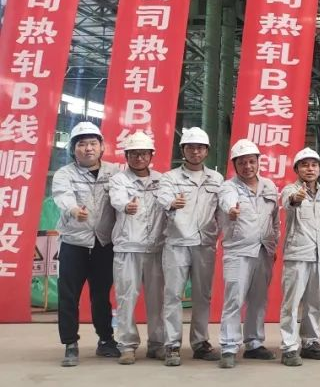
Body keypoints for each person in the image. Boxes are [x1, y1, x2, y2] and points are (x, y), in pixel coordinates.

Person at [52, 122, 122, 366]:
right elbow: (63, 195)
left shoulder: (115, 173)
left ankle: (106, 340)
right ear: (73, 149)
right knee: (68, 295)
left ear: (102, 146)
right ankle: (70, 343)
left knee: (101, 294)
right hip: (74, 242)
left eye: (93, 143)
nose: (88, 148)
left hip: (104, 243)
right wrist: (73, 210)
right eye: (82, 144)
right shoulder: (65, 174)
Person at [157, 127, 223, 366]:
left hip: (204, 244)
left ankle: (200, 342)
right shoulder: (170, 178)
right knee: (173, 295)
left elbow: (222, 210)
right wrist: (172, 203)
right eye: (191, 147)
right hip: (176, 243)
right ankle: (172, 344)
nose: (195, 151)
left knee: (202, 296)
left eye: (200, 148)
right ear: (182, 150)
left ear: (206, 151)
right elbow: (163, 198)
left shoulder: (216, 179)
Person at [217, 139, 279, 368]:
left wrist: (273, 245)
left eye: (251, 161)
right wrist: (231, 210)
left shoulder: (269, 186)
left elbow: (275, 220)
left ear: (258, 162)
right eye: (242, 162)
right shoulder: (228, 187)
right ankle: (229, 347)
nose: (247, 166)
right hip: (238, 251)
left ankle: (254, 343)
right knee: (234, 299)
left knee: (258, 299)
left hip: (264, 250)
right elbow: (227, 202)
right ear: (235, 165)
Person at [108, 131, 167, 365]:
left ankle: (158, 344)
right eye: (133, 153)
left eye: (143, 153)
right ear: (126, 156)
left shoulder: (162, 180)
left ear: (151, 155)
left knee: (157, 299)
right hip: (127, 248)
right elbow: (117, 199)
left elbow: (169, 203)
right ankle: (127, 345)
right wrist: (126, 206)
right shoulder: (119, 180)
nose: (139, 158)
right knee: (126, 298)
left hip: (156, 248)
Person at [279, 148, 320, 366]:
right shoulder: (290, 190)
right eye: (304, 165)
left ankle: (310, 342)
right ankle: (289, 347)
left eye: (314, 165)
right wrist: (296, 199)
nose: (310, 169)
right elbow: (288, 202)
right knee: (291, 303)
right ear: (297, 169)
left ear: (319, 169)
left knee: (315, 302)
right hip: (297, 254)